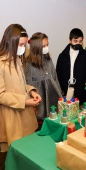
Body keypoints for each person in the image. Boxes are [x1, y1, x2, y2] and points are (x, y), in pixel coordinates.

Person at [0, 24, 41, 169]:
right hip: (11, 114)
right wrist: (25, 101)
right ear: (11, 42)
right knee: (12, 156)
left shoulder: (18, 60)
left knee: (26, 152)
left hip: (25, 113)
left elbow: (21, 84)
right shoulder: (1, 64)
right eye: (21, 44)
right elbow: (1, 95)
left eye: (24, 44)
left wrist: (31, 91)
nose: (23, 48)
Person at [25, 32, 62, 124]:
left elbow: (55, 77)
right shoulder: (29, 64)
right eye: (43, 46)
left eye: (47, 45)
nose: (46, 48)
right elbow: (29, 85)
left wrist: (60, 94)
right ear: (36, 47)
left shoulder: (48, 59)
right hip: (39, 102)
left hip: (53, 97)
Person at [56, 28, 86, 106]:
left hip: (81, 91)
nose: (78, 44)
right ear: (70, 40)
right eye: (75, 41)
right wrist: (61, 91)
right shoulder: (62, 56)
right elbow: (58, 75)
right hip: (66, 91)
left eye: (80, 41)